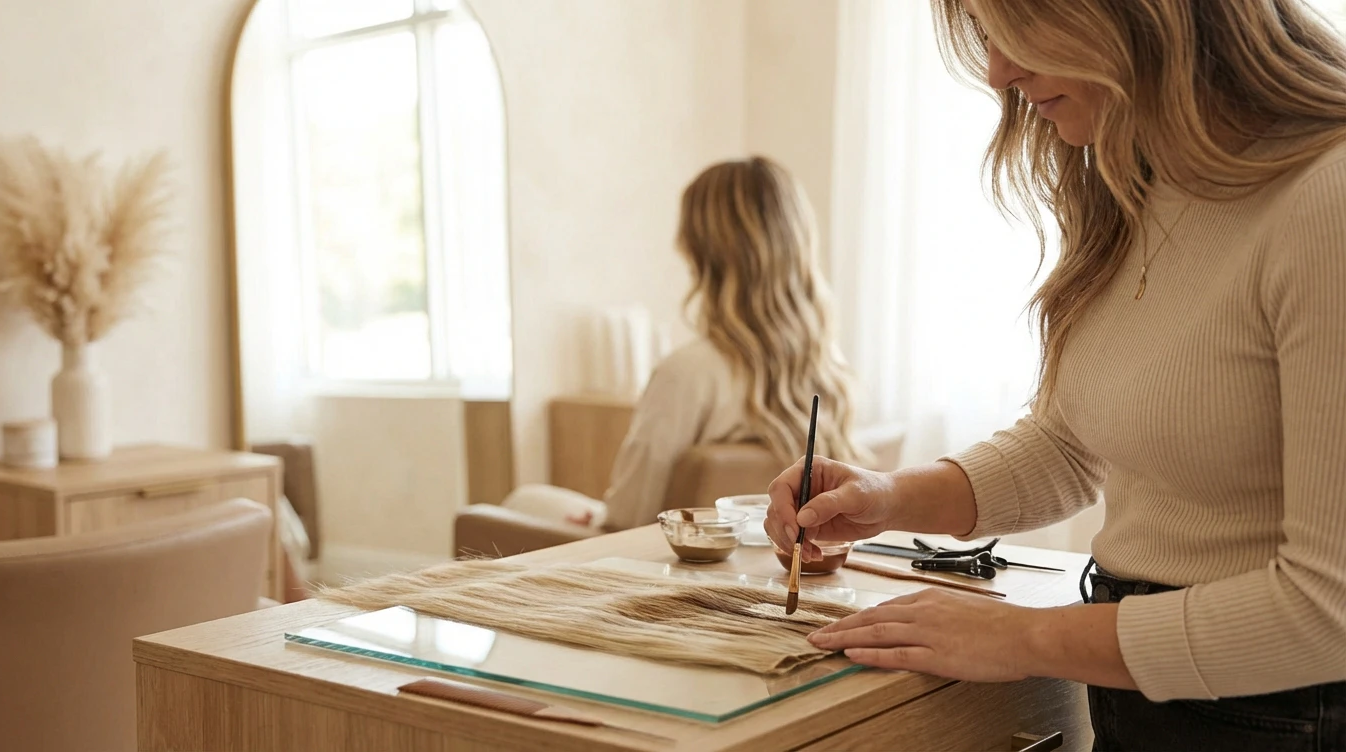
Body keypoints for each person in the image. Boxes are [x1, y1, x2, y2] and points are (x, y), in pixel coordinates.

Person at [763, 1, 1346, 749]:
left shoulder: (1325, 201)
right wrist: (887, 498)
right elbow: (1073, 444)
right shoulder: (1141, 184)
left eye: (1020, 26)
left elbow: (1329, 613)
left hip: (1284, 713)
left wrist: (1022, 639)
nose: (997, 70)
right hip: (1149, 694)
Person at [502, 156, 872, 532]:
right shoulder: (828, 368)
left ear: (701, 251)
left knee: (525, 499)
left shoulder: (688, 372)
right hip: (760, 556)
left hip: (660, 561)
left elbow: (627, 518)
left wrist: (603, 516)